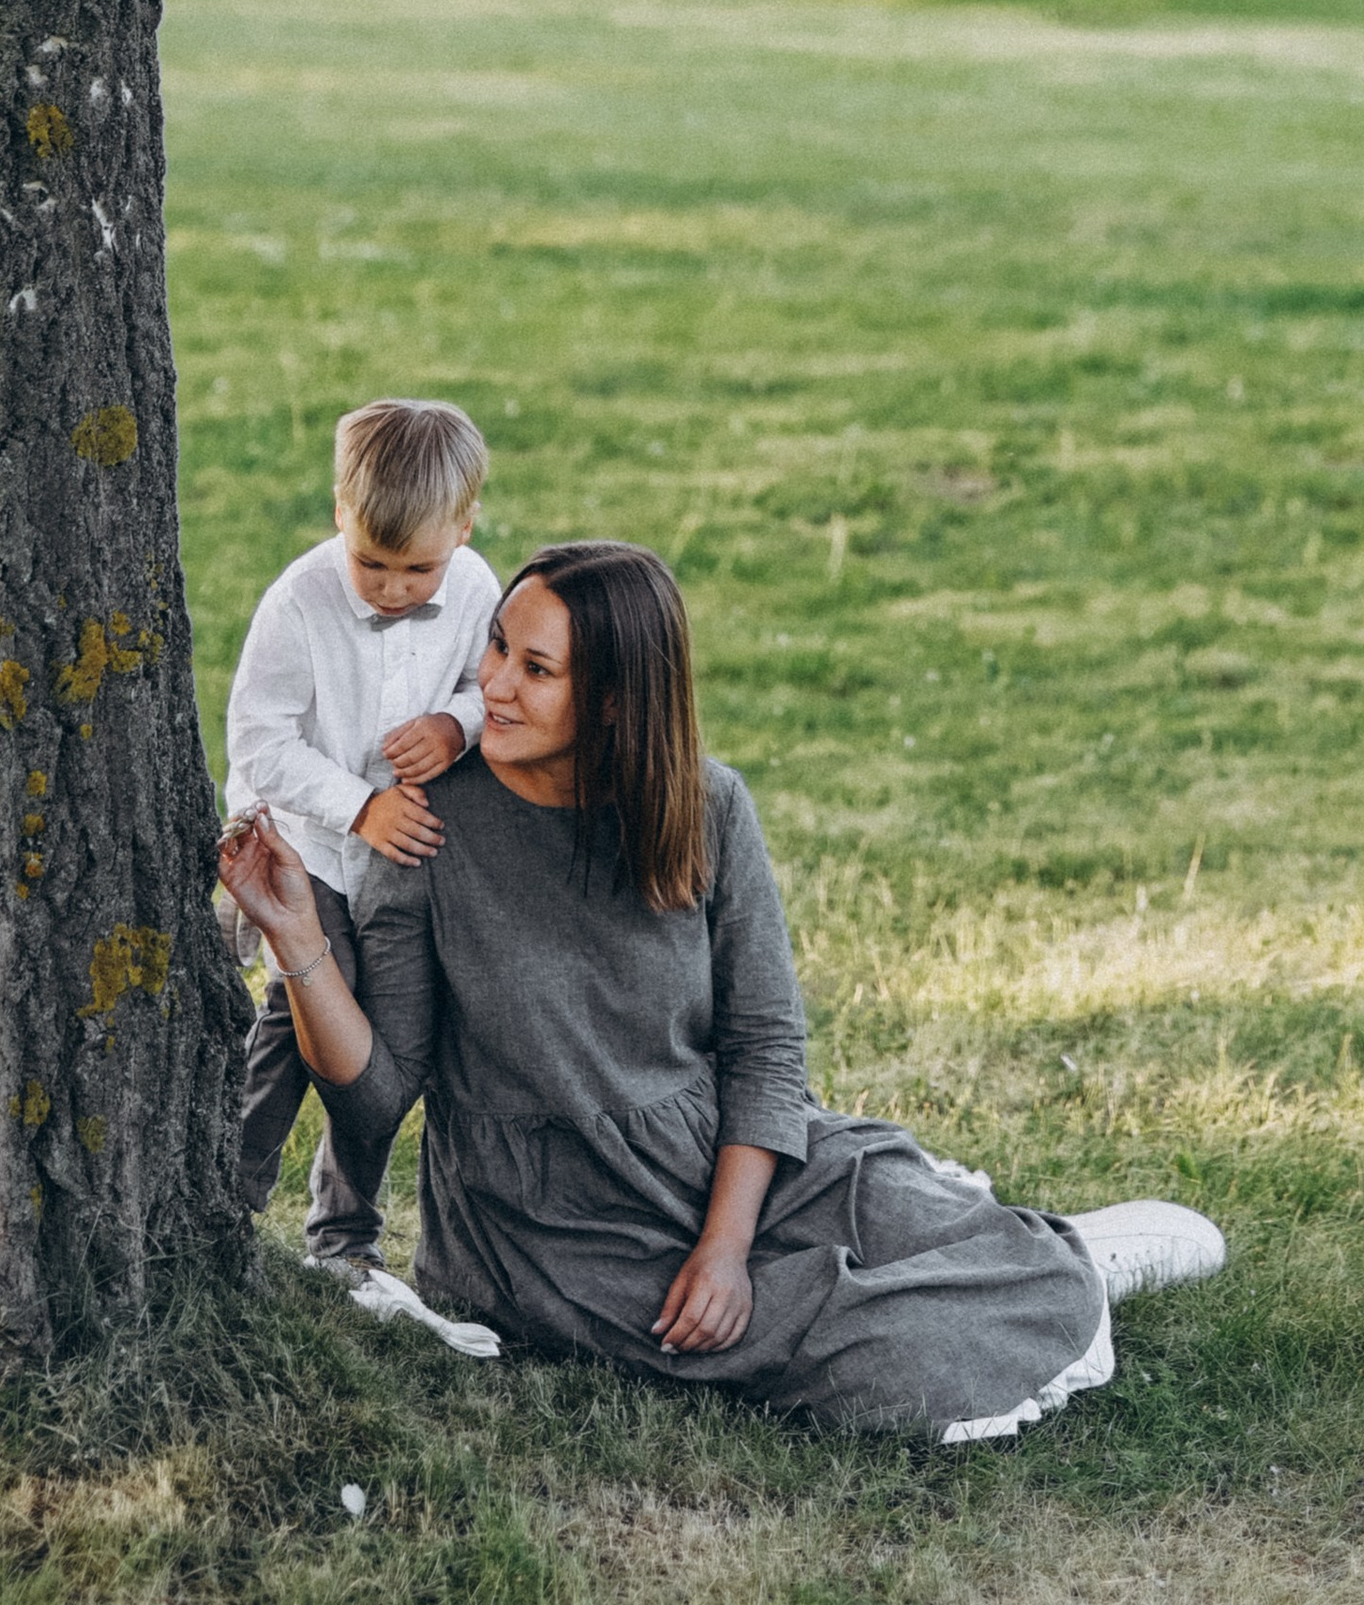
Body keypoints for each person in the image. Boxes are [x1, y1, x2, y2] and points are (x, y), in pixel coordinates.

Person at [218, 540, 1224, 1438]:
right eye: (494, 650)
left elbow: (765, 1046)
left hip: (720, 1160)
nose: (491, 687)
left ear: (613, 698)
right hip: (549, 1229)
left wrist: (726, 1246)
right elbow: (377, 1091)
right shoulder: (426, 826)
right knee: (883, 1364)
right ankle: (1009, 1270)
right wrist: (301, 944)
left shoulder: (704, 805)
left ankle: (1045, 1259)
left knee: (972, 1253)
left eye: (534, 668)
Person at [226, 397, 503, 1269]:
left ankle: (344, 1235)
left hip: (408, 865)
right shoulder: (300, 602)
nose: (390, 588)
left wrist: (457, 726)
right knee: (300, 1016)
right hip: (310, 848)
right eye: (371, 563)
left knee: (385, 1045)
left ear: (464, 527)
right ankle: (224, 1198)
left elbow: (485, 688)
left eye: (416, 569)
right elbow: (259, 741)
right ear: (340, 512)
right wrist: (357, 804)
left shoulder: (477, 585)